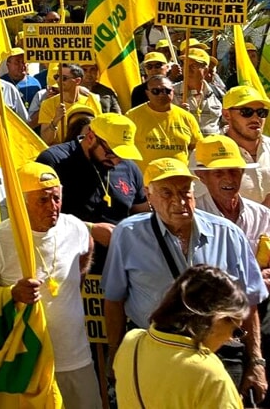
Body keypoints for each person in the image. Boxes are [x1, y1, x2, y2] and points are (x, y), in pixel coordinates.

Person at [102, 157, 267, 397]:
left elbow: (250, 301)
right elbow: (114, 299)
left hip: (219, 352)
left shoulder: (229, 234)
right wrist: (116, 355)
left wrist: (256, 363)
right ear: (149, 197)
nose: (178, 201)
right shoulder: (127, 235)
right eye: (166, 193)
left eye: (184, 192)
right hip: (157, 354)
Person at [0, 162, 100, 408]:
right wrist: (12, 294)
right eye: (43, 200)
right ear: (20, 202)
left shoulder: (74, 227)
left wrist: (75, 282)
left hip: (76, 358)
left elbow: (88, 247)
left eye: (57, 198)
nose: (53, 207)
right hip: (28, 362)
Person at [113, 265, 247, 409]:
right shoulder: (211, 376)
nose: (231, 339)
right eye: (236, 331)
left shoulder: (131, 342)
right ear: (217, 319)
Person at [37, 114, 149, 272]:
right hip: (65, 265)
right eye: (111, 152)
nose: (116, 161)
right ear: (91, 136)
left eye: (122, 155)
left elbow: (143, 215)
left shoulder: (130, 168)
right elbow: (36, 216)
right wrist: (89, 229)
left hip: (115, 268)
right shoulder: (54, 161)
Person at [192, 134, 270, 253]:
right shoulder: (194, 216)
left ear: (242, 172)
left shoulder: (262, 216)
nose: (229, 179)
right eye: (218, 172)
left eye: (234, 171)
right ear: (201, 176)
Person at [126, 73, 202, 170]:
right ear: (147, 93)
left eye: (167, 90)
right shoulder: (132, 116)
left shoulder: (187, 117)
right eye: (155, 91)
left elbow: (196, 147)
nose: (162, 94)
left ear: (173, 92)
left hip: (179, 178)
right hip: (145, 181)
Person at [219, 84, 270, 203]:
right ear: (227, 115)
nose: (256, 118)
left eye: (262, 112)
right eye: (246, 112)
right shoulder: (208, 153)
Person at [34, 63, 98, 145]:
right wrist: (56, 120)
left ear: (77, 81)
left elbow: (100, 133)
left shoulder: (92, 100)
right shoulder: (48, 104)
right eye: (57, 77)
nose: (58, 81)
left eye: (64, 78)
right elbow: (45, 140)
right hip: (60, 154)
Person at [175, 48, 224, 136]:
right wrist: (175, 115)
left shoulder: (218, 94)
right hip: (185, 148)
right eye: (185, 66)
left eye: (193, 66)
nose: (188, 70)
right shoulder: (170, 93)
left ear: (205, 71)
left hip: (212, 147)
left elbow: (226, 122)